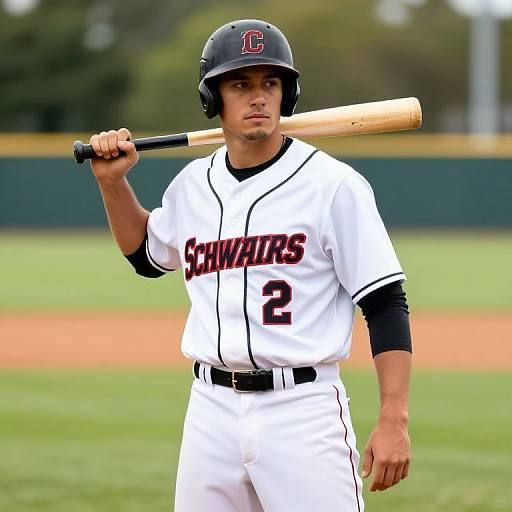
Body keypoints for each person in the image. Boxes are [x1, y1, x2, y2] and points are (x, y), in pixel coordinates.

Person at [88, 19, 412, 512]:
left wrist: (394, 418)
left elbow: (386, 304)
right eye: (241, 84)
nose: (258, 97)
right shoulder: (193, 185)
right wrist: (113, 183)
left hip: (302, 409)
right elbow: (147, 258)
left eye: (271, 83)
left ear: (288, 94)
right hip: (209, 409)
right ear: (213, 99)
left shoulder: (333, 186)